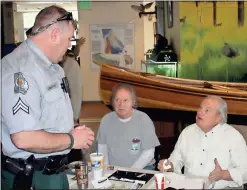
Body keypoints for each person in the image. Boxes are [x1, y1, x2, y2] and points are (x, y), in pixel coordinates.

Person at [1, 5, 94, 190]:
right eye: (69, 39)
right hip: (33, 177)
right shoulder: (22, 70)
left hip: (54, 172)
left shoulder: (53, 68)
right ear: (54, 35)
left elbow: (46, 115)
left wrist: (70, 128)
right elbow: (24, 138)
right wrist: (72, 139)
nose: (69, 45)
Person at [157, 95, 247, 189]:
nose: (199, 112)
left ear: (219, 117)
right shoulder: (187, 132)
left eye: (207, 110)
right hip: (189, 186)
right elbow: (176, 160)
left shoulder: (233, 136)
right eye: (200, 108)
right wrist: (169, 166)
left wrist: (223, 174)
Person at [96, 83, 160, 169]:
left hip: (142, 168)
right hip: (114, 169)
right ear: (112, 102)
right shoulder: (106, 120)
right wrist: (107, 170)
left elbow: (149, 153)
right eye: (117, 100)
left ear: (133, 102)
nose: (121, 104)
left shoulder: (143, 119)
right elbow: (102, 148)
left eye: (125, 100)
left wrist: (129, 172)